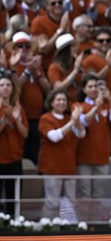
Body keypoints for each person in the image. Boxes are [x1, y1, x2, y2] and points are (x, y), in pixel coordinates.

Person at [74, 75, 111, 222]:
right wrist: (95, 106)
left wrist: (110, 98)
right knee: (85, 194)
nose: (94, 89)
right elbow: (83, 122)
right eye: (90, 86)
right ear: (84, 89)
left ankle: (95, 223)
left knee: (98, 194)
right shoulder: (78, 105)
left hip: (102, 156)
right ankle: (83, 223)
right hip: (84, 157)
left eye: (96, 86)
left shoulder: (106, 105)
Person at [39, 89, 85, 220]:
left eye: (64, 100)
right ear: (52, 103)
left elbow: (81, 134)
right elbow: (54, 137)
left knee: (71, 203)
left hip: (69, 167)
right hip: (52, 167)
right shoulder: (45, 118)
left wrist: (77, 120)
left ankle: (70, 229)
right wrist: (72, 122)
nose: (61, 102)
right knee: (52, 202)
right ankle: (47, 228)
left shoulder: (68, 118)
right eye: (58, 100)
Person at [0, 73, 29, 214]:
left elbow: (25, 133)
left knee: (14, 195)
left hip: (15, 158)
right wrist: (5, 118)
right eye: (2, 85)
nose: (5, 88)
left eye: (8, 85)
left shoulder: (18, 108)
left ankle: (14, 222)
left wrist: (17, 119)